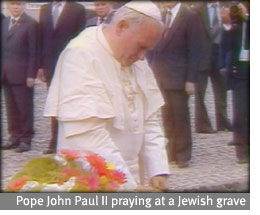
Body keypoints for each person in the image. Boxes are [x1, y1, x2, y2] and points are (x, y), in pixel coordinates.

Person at [44, 1, 169, 191]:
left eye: (147, 50)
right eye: (141, 46)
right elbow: (87, 135)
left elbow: (150, 118)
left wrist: (157, 170)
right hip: (94, 181)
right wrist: (129, 187)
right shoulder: (81, 54)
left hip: (132, 178)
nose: (143, 57)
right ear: (121, 27)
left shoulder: (135, 60)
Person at [148, 2, 201, 168]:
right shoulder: (162, 16)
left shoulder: (190, 16)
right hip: (161, 75)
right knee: (167, 117)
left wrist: (191, 79)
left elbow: (195, 49)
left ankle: (183, 154)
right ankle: (171, 152)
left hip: (179, 75)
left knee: (181, 116)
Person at [37, 0, 86, 154]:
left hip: (71, 63)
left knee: (72, 101)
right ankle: (55, 141)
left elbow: (81, 38)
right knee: (55, 102)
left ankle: (72, 140)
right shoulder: (44, 9)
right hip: (50, 64)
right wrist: (41, 65)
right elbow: (41, 39)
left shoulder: (77, 9)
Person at [1, 1, 38, 153]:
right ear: (8, 6)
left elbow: (33, 51)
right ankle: (14, 137)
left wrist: (31, 74)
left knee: (24, 108)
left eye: (18, 4)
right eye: (12, 4)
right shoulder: (4, 22)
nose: (15, 7)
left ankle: (25, 139)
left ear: (24, 6)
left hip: (22, 74)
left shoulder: (31, 24)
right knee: (11, 108)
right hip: (5, 74)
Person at [192, 1, 232, 133]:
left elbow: (232, 31)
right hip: (202, 55)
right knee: (200, 93)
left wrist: (227, 23)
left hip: (220, 55)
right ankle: (202, 124)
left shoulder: (227, 7)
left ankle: (223, 122)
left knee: (221, 91)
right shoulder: (197, 9)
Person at [219, 3, 249, 163]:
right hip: (239, 73)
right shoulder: (237, 22)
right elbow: (225, 46)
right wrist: (227, 25)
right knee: (240, 113)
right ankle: (242, 151)